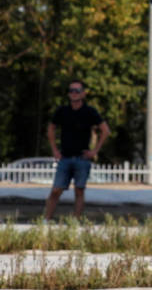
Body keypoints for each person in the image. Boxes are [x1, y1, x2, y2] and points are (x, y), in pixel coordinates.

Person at [43, 79, 109, 220]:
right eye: (71, 90)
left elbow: (105, 130)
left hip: (82, 158)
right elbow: (51, 128)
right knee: (56, 190)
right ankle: (46, 220)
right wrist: (54, 149)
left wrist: (94, 151)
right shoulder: (62, 111)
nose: (74, 93)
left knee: (79, 191)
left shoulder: (90, 111)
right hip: (65, 157)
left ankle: (76, 222)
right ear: (68, 94)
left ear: (83, 93)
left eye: (77, 90)